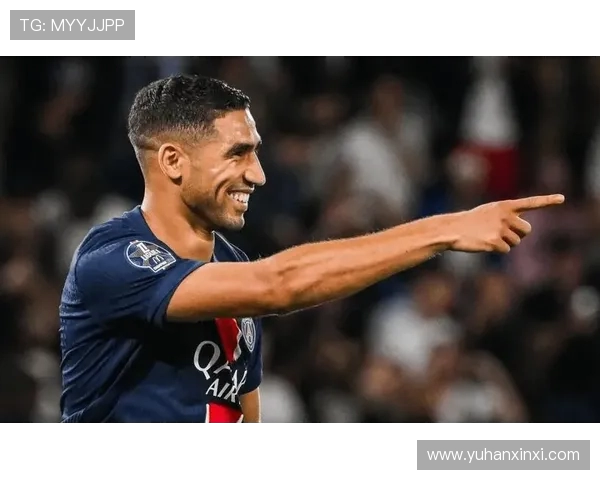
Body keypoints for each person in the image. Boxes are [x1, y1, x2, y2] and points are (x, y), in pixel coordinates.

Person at [58, 74, 565, 423]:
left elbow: (243, 416)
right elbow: (279, 284)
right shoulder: (114, 258)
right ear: (173, 161)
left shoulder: (232, 264)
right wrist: (444, 230)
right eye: (238, 154)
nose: (258, 175)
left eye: (256, 153)